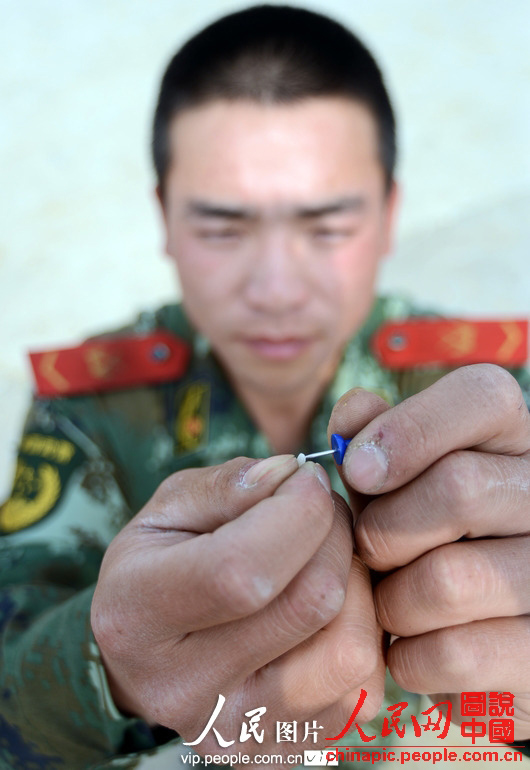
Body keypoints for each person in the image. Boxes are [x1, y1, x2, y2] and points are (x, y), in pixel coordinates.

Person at [1, 5, 529, 769]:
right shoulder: (94, 401)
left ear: (388, 216)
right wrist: (108, 664)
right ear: (166, 220)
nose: (277, 287)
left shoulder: (494, 391)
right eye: (223, 228)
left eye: (326, 226)